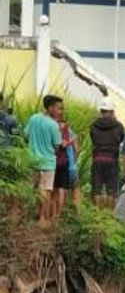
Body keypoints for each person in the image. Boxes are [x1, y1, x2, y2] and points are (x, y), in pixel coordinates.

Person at [24, 95, 63, 224]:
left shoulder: (33, 118)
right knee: (45, 190)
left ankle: (27, 217)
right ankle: (42, 218)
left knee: (31, 190)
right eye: (58, 108)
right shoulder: (53, 125)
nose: (60, 111)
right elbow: (57, 145)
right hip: (47, 163)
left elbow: (26, 135)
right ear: (50, 108)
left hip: (31, 161)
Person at [89, 99, 125, 209]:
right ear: (112, 111)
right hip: (112, 160)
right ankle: (108, 216)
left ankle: (97, 214)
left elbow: (93, 139)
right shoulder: (118, 125)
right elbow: (121, 139)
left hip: (97, 158)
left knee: (96, 189)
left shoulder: (93, 125)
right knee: (111, 190)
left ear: (101, 110)